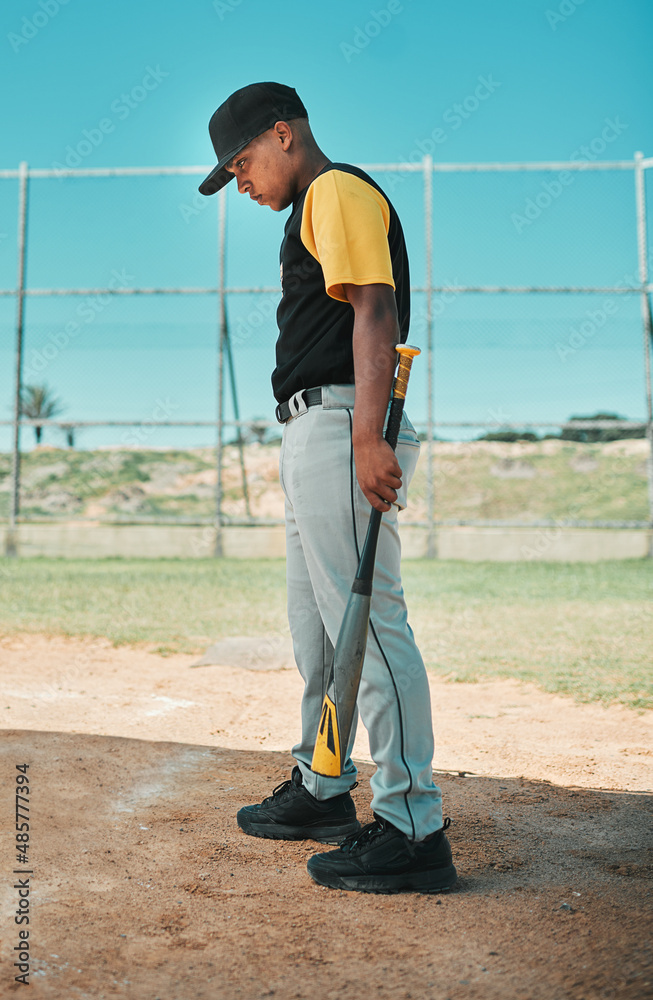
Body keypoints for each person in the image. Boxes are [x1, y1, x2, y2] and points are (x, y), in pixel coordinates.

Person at [199, 82, 457, 894]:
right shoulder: (304, 209)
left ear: (284, 134)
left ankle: (413, 826)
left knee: (369, 626)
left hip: (346, 421)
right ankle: (322, 786)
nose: (239, 181)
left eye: (242, 163)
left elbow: (374, 310)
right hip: (312, 425)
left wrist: (366, 437)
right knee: (315, 630)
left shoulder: (335, 189)